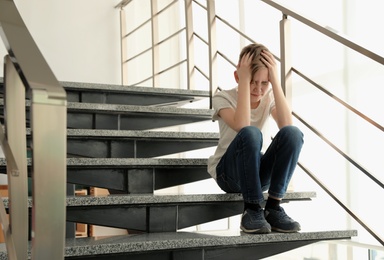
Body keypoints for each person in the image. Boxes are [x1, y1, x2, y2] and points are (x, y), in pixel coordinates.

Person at [207, 43, 304, 234]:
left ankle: (274, 207)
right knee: (251, 133)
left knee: (293, 133)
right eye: (252, 81)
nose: (258, 88)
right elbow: (242, 126)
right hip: (228, 174)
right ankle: (251, 209)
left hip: (257, 173)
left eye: (264, 82)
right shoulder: (222, 97)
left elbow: (286, 125)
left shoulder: (269, 97)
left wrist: (275, 80)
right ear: (238, 76)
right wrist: (244, 82)